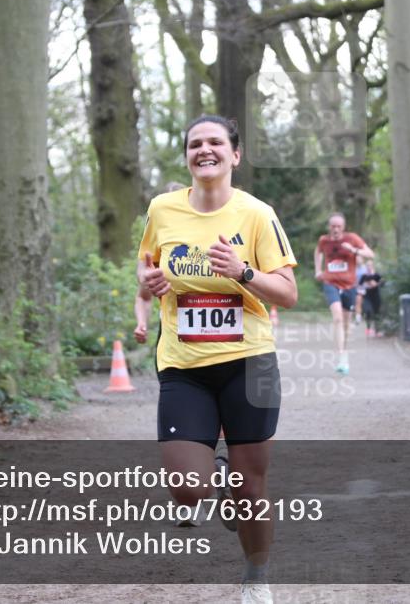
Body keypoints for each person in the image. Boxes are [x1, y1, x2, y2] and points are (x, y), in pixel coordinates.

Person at [137, 115, 297, 604]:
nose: (204, 150)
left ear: (234, 155)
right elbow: (145, 266)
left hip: (250, 362)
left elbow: (288, 293)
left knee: (253, 485)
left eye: (214, 143)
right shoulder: (162, 209)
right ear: (187, 155)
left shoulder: (256, 214)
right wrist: (148, 283)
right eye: (194, 144)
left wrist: (243, 271)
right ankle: (215, 481)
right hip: (184, 364)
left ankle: (256, 576)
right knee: (187, 489)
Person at [314, 213, 374, 374]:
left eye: (338, 226)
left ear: (343, 227)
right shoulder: (324, 241)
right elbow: (318, 252)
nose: (335, 229)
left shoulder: (352, 238)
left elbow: (370, 254)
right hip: (330, 283)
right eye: (333, 226)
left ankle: (344, 355)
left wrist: (354, 250)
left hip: (349, 286)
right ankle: (340, 355)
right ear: (329, 227)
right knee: (338, 318)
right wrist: (318, 270)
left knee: (346, 324)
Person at [134, 182, 187, 345]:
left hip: (221, 340)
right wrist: (142, 324)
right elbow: (144, 297)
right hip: (171, 337)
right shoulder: (156, 250)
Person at [357, 259, 384, 337]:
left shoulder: (376, 275)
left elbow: (383, 283)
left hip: (376, 295)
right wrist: (366, 283)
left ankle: (377, 330)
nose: (369, 267)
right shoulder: (364, 276)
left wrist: (376, 284)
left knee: (377, 312)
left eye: (370, 265)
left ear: (373, 266)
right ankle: (368, 329)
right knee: (368, 311)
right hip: (367, 296)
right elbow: (359, 285)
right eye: (367, 265)